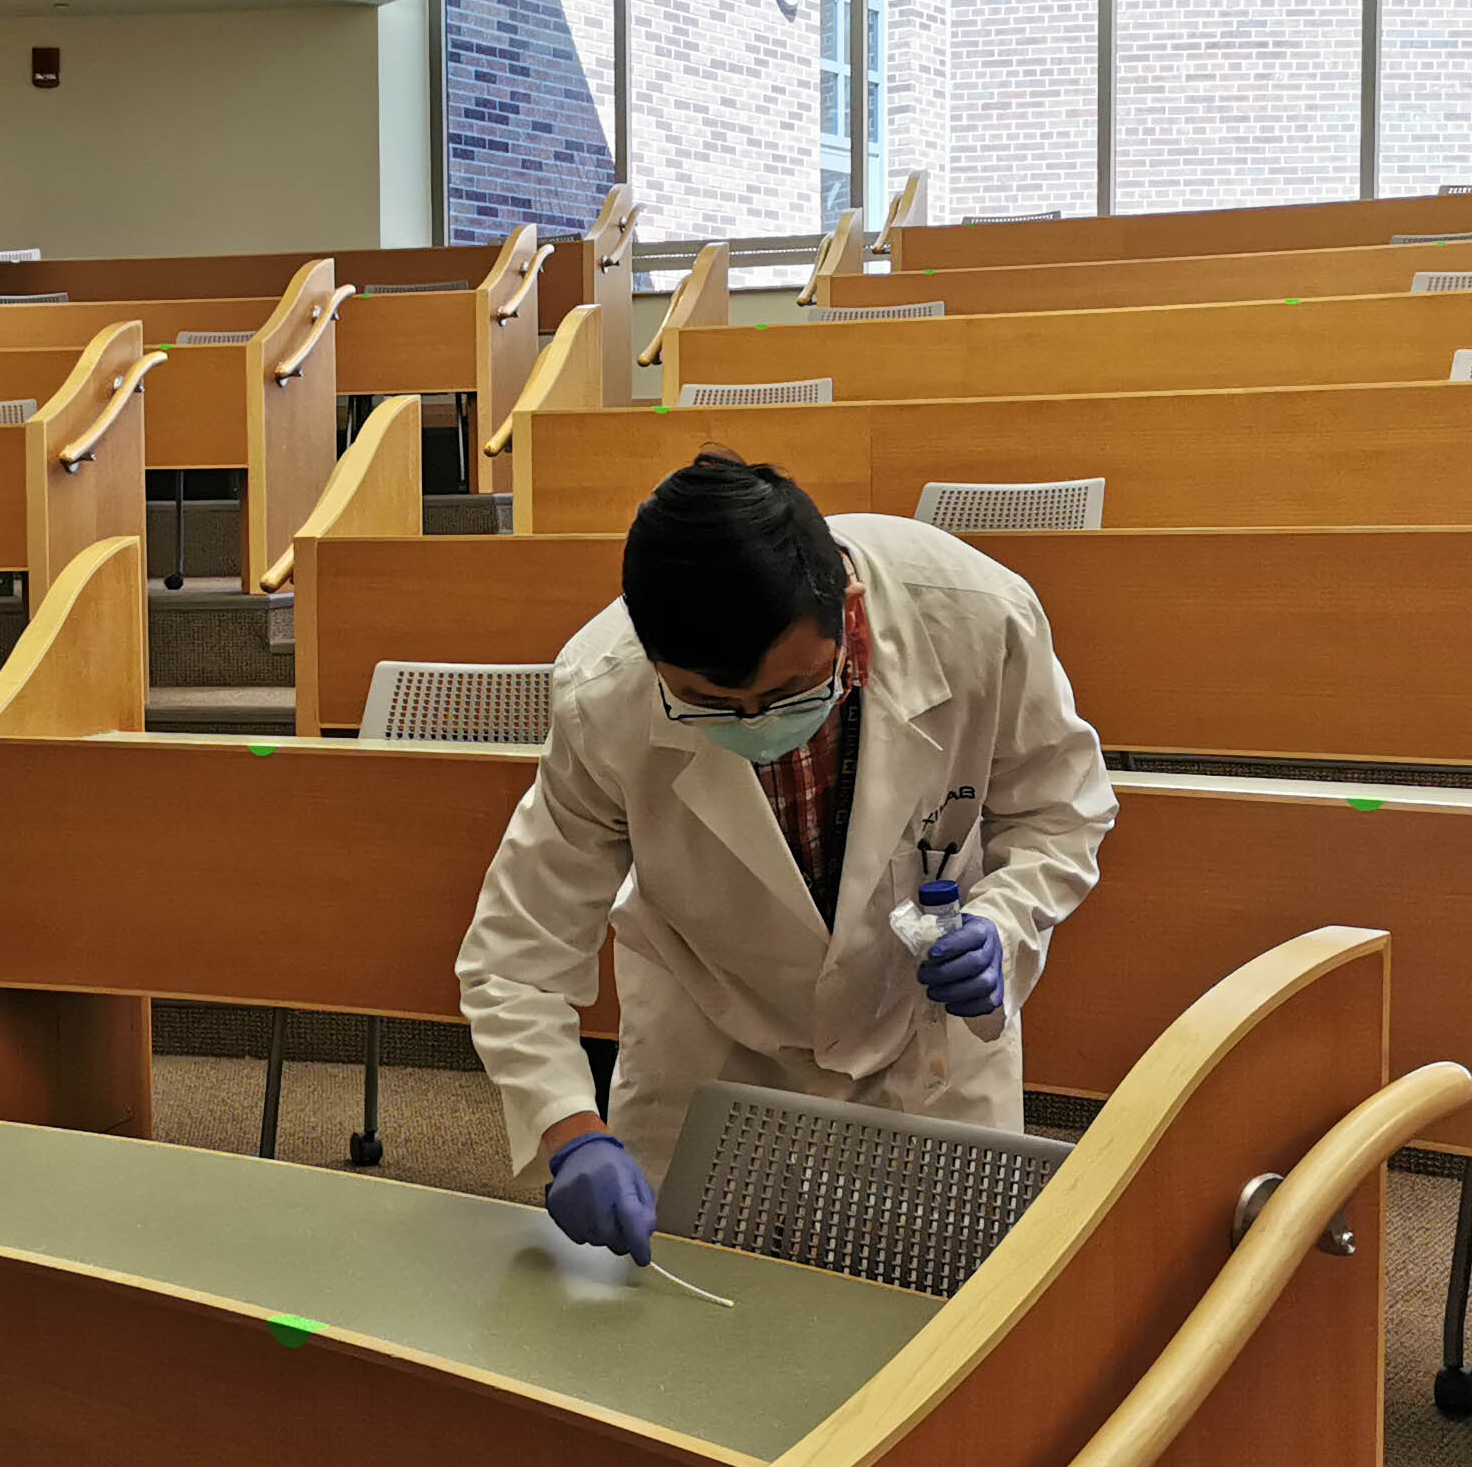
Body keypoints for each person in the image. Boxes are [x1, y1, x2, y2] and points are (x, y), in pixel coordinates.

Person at [456, 452, 1116, 1265]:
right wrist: (569, 1129)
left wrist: (1003, 923)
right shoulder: (606, 695)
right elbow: (519, 952)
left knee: (936, 1333)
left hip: (924, 1036)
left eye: (793, 690)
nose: (757, 726)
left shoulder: (978, 617)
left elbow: (1063, 811)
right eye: (709, 706)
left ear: (853, 613)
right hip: (710, 1034)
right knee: (685, 1342)